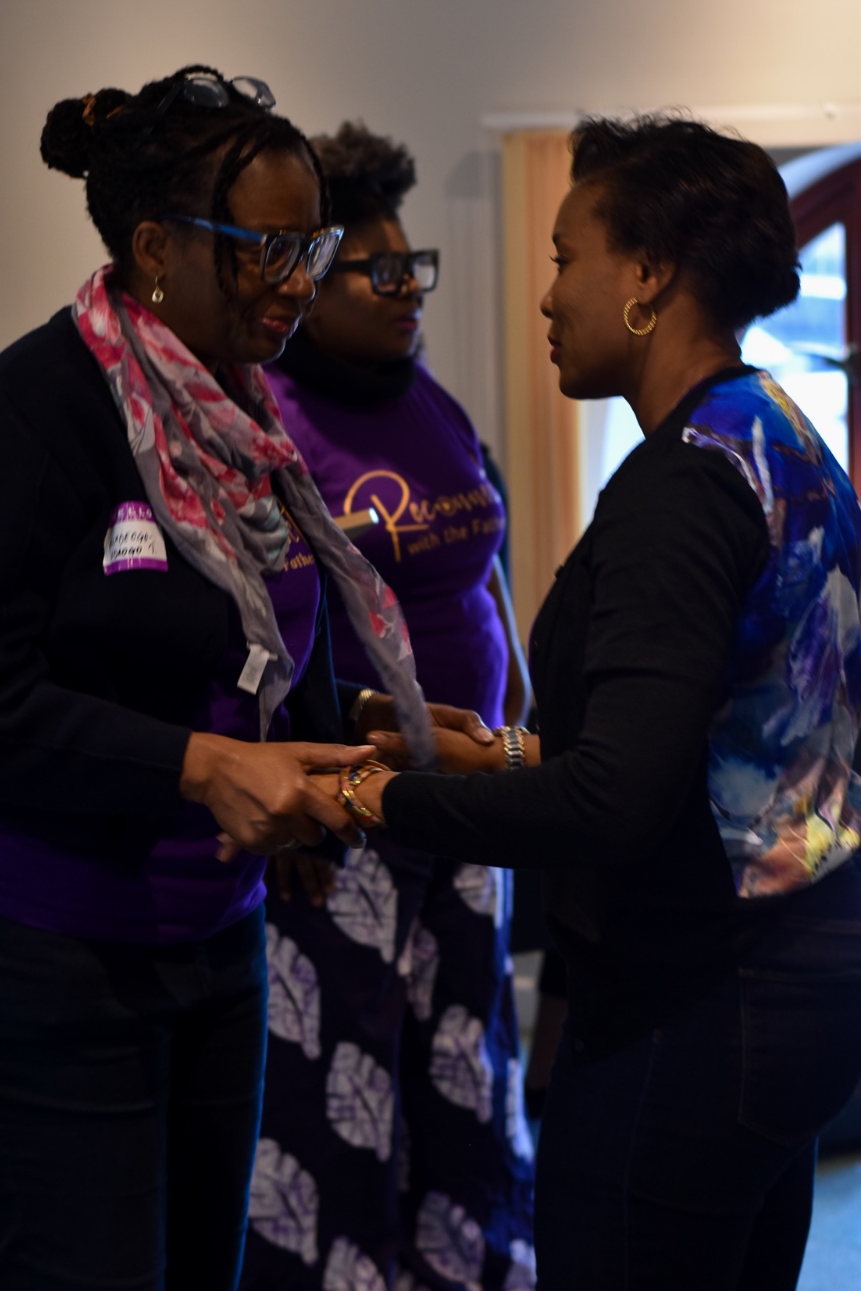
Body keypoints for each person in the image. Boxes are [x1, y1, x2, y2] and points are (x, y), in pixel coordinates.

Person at [0, 67, 484, 1291]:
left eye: (309, 247)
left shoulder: (238, 414)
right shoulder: (29, 416)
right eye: (264, 249)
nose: (297, 283)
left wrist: (343, 721)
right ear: (156, 247)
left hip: (211, 935)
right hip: (33, 944)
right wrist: (203, 765)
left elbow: (231, 641)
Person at [302, 115, 861, 1291]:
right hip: (801, 975)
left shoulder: (680, 487)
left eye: (566, 258)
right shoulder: (771, 428)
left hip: (702, 1000)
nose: (548, 295)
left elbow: (613, 802)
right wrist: (506, 754)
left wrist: (370, 795)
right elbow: (710, 735)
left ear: (647, 273)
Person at [242, 122, 536, 1291]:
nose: (409, 288)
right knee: (345, 1083)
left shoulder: (434, 403)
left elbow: (486, 573)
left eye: (415, 265)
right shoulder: (267, 424)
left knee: (463, 1063)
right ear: (308, 286)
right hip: (348, 810)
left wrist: (515, 708)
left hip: (467, 800)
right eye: (380, 269)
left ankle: (466, 1267)